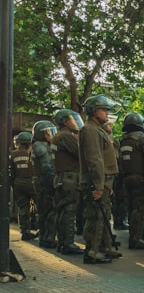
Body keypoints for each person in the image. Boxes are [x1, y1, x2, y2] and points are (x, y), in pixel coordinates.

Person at [79, 94, 121, 264]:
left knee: (103, 214)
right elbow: (95, 159)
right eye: (104, 110)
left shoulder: (97, 130)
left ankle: (105, 247)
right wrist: (98, 185)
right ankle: (92, 251)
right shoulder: (90, 130)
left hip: (104, 180)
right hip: (97, 181)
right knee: (95, 217)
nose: (107, 113)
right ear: (94, 111)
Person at [119, 113, 144, 250]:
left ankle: (139, 236)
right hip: (141, 178)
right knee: (141, 208)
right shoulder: (142, 138)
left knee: (132, 208)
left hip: (127, 178)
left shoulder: (123, 139)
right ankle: (137, 239)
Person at [50, 109, 85, 255]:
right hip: (70, 177)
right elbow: (81, 153)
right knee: (69, 210)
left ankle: (63, 242)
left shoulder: (57, 136)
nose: (75, 122)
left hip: (61, 177)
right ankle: (69, 244)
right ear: (65, 122)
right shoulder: (66, 136)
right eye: (72, 119)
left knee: (62, 210)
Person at [31, 120, 58, 248]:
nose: (51, 134)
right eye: (48, 132)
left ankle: (45, 236)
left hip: (41, 181)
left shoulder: (38, 145)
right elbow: (47, 167)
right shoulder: (41, 147)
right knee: (49, 209)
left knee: (43, 210)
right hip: (45, 181)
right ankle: (48, 237)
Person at [10, 131, 39, 241]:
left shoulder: (12, 154)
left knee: (22, 208)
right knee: (40, 206)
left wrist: (14, 184)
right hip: (33, 182)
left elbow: (11, 173)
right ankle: (42, 230)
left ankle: (25, 231)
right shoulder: (33, 153)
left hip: (19, 183)